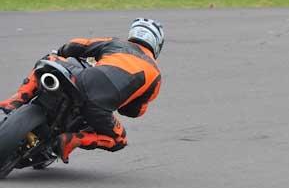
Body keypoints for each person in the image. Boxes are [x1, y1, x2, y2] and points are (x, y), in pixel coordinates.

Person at [0, 18, 165, 163]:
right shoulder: (156, 76)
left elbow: (78, 44)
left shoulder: (116, 43)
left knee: (50, 60)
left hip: (80, 80)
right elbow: (134, 111)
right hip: (99, 109)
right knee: (119, 140)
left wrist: (61, 52)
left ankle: (15, 101)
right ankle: (72, 140)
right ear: (157, 44)